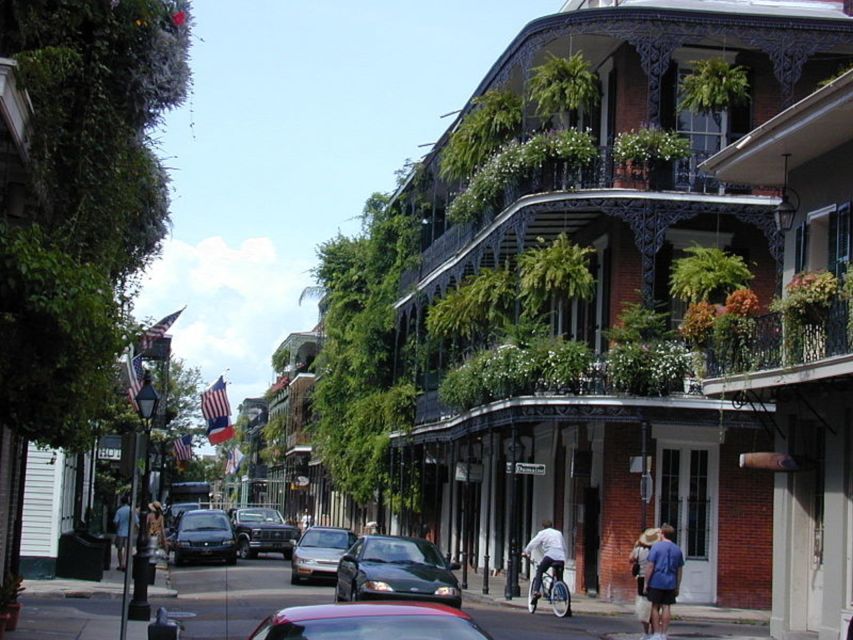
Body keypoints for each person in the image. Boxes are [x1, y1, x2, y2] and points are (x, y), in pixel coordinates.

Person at [643, 523, 684, 640]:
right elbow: (679, 570)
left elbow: (650, 566)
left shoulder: (656, 547)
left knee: (655, 607)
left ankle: (656, 633)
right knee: (667, 607)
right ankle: (664, 633)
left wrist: (646, 583)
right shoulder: (677, 549)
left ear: (662, 533)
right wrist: (678, 585)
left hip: (656, 581)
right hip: (670, 582)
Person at [522, 518, 568, 599]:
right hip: (561, 557)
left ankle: (536, 591)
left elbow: (533, 543)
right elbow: (564, 547)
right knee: (559, 577)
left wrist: (526, 551)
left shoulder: (542, 533)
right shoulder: (558, 533)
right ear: (551, 526)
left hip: (550, 556)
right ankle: (563, 596)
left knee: (540, 570)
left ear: (543, 527)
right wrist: (564, 558)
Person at [630, 527, 660, 640]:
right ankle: (654, 631)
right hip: (655, 579)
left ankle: (646, 632)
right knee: (654, 606)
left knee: (644, 606)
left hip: (642, 579)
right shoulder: (656, 551)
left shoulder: (639, 550)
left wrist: (635, 546)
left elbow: (631, 559)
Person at [113, 495, 132, 571]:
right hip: (128, 533)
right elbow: (136, 522)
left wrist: (117, 528)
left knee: (119, 549)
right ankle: (125, 564)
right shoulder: (131, 510)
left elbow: (115, 522)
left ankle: (121, 564)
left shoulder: (119, 511)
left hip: (120, 532)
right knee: (127, 549)